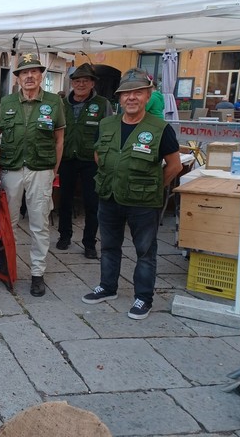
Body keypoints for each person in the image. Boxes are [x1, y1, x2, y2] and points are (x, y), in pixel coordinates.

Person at [81, 67, 181, 320]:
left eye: (138, 92)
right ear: (119, 98)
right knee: (109, 246)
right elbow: (97, 153)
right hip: (109, 196)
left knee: (145, 251)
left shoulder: (160, 128)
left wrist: (154, 187)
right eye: (126, 93)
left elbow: (175, 165)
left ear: (148, 96)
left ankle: (143, 298)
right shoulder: (106, 124)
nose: (131, 98)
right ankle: (107, 287)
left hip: (143, 203)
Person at [0, 53, 65, 297]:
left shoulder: (54, 103)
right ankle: (6, 266)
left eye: (34, 71)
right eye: (24, 72)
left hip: (41, 169)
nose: (29, 76)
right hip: (12, 169)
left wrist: (53, 171)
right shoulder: (7, 103)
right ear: (17, 78)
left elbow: (59, 141)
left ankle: (37, 273)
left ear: (40, 75)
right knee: (8, 222)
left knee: (39, 223)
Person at [56, 63, 113, 259]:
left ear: (92, 83)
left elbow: (109, 133)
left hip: (91, 160)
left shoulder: (103, 104)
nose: (81, 84)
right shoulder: (61, 104)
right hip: (67, 158)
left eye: (85, 81)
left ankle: (89, 243)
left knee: (92, 203)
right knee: (65, 200)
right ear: (71, 83)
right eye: (77, 81)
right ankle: (64, 236)